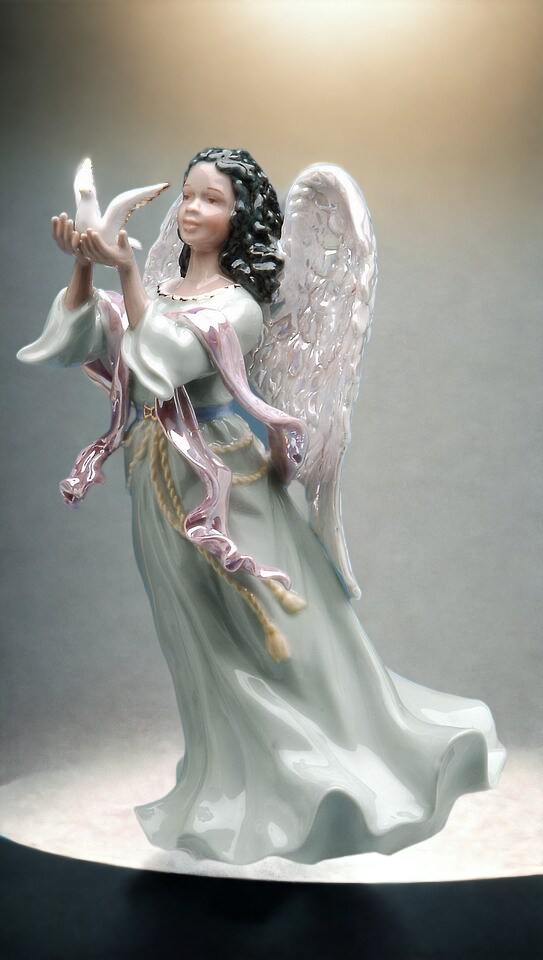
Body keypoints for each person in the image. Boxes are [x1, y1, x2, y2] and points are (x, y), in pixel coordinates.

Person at [17, 147, 506, 865]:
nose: (192, 209)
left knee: (266, 638)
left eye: (212, 199)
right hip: (156, 478)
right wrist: (88, 266)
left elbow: (164, 361)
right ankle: (226, 789)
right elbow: (93, 340)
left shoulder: (238, 307)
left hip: (225, 486)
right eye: (188, 194)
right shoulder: (168, 289)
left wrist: (125, 271)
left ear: (239, 217)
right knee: (198, 642)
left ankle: (312, 792)